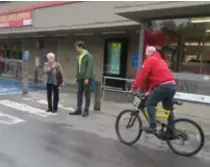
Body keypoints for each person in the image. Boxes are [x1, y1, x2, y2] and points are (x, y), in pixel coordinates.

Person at [131, 46, 176, 134]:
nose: (146, 57)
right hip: (172, 86)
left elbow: (142, 75)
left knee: (149, 103)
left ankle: (153, 126)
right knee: (167, 108)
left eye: (146, 55)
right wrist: (149, 91)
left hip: (163, 86)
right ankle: (171, 130)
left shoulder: (150, 60)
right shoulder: (160, 60)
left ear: (149, 53)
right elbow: (155, 79)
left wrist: (133, 88)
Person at [69, 41, 94, 117]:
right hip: (80, 77)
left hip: (86, 78)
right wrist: (77, 75)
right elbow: (79, 67)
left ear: (81, 47)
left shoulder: (88, 56)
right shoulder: (79, 56)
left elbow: (90, 67)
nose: (76, 49)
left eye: (77, 47)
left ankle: (86, 110)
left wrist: (87, 77)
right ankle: (79, 109)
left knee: (87, 94)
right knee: (79, 93)